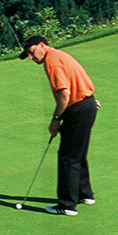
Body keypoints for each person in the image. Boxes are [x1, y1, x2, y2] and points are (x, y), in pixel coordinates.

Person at [19, 35, 99, 216]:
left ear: (42, 45)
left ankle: (67, 205)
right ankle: (84, 194)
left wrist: (56, 119)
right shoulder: (61, 55)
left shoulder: (52, 62)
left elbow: (64, 93)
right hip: (87, 105)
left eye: (31, 52)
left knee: (67, 157)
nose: (31, 58)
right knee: (78, 153)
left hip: (78, 108)